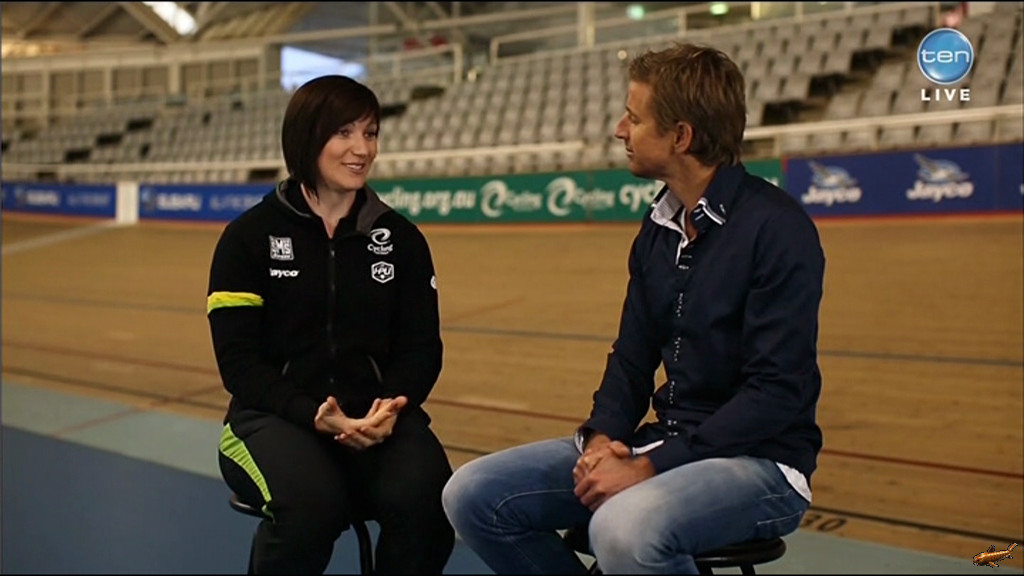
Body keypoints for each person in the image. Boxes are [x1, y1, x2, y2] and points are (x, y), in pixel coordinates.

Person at [442, 42, 825, 575]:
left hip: (762, 462)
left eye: (635, 118)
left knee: (622, 528)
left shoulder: (778, 229)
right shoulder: (659, 226)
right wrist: (603, 439)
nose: (621, 130)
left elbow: (775, 393)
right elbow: (632, 356)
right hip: (666, 443)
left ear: (681, 136)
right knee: (472, 494)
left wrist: (649, 467)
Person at [206, 74, 454, 575]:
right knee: (311, 509)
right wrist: (311, 413)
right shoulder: (247, 238)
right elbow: (240, 365)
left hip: (378, 419)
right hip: (272, 418)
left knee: (431, 505)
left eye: (371, 133)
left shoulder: (402, 239)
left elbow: (422, 348)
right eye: (344, 133)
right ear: (307, 138)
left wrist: (393, 405)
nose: (362, 149)